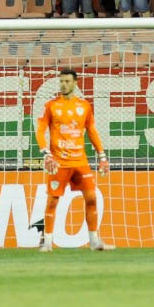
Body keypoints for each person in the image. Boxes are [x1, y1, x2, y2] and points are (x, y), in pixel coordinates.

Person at [35, 68, 109, 252]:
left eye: (67, 81)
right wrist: (46, 153)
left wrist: (102, 156)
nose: (63, 84)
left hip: (80, 162)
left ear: (75, 83)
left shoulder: (84, 106)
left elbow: (92, 130)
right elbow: (40, 129)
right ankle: (48, 243)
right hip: (59, 162)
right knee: (52, 201)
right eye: (61, 81)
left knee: (91, 198)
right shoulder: (51, 105)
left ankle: (94, 241)